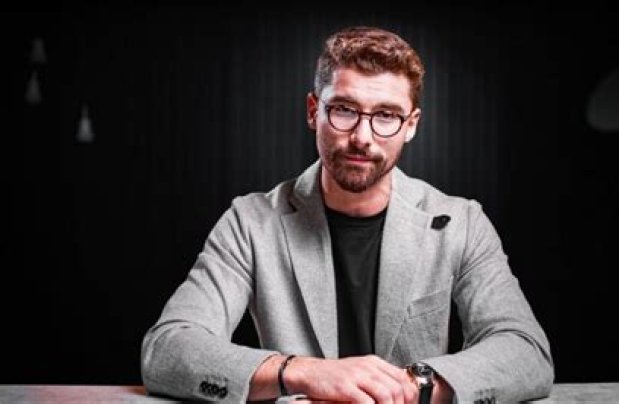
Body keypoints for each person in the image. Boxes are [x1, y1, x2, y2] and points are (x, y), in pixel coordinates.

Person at [141, 26, 553, 403]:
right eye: (343, 110)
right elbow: (168, 349)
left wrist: (413, 387)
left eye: (386, 116)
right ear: (313, 111)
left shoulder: (461, 223)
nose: (361, 137)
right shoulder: (249, 222)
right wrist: (304, 373)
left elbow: (526, 352)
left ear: (411, 124)